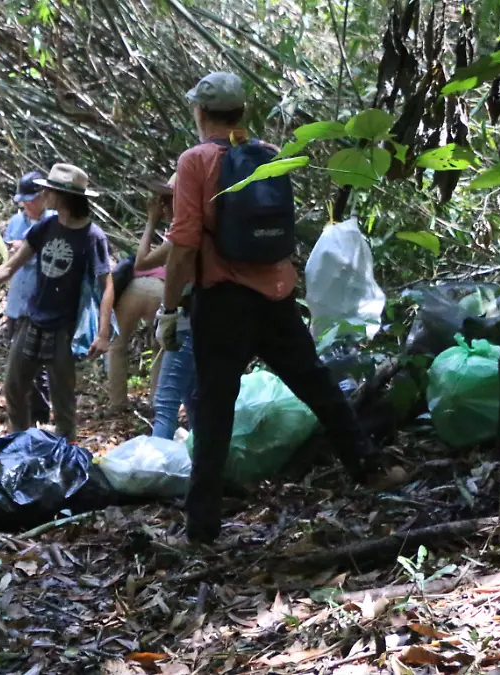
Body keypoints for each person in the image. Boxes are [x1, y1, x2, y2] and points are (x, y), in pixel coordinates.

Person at [160, 72, 374, 544]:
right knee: (315, 383)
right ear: (243, 112)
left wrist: (169, 310)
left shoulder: (195, 161)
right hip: (276, 295)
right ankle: (367, 466)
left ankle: (202, 526)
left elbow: (184, 244)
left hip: (222, 302)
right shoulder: (269, 154)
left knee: (214, 409)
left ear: (200, 112)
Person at [0, 163, 114, 442]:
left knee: (62, 401)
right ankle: (20, 445)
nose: (44, 195)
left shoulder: (91, 236)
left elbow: (106, 285)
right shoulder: (46, 227)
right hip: (33, 320)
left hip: (64, 328)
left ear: (65, 196)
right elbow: (9, 268)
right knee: (14, 387)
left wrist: (104, 332)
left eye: (50, 191)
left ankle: (66, 453)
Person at [132, 178, 197, 440]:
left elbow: (141, 262)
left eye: (167, 200)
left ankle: (159, 459)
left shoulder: (183, 234)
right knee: (192, 398)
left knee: (165, 401)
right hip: (196, 322)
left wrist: (151, 222)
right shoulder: (198, 228)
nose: (163, 206)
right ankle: (200, 456)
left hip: (186, 324)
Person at [107, 184, 170, 409]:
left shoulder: (172, 232)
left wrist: (151, 222)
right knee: (161, 348)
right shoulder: (184, 226)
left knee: (117, 346)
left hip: (132, 290)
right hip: (161, 290)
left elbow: (140, 262)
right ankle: (156, 402)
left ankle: (117, 403)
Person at [3, 171, 55, 424]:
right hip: (17, 302)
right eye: (23, 200)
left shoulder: (55, 221)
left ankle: (41, 417)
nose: (27, 205)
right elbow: (7, 261)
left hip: (42, 303)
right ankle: (20, 417)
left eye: (31, 199)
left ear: (44, 196)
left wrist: (26, 251)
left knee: (40, 365)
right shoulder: (16, 222)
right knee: (17, 364)